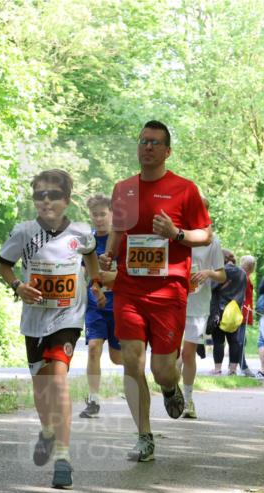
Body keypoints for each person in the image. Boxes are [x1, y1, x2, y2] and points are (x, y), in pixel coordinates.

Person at [98, 120, 213, 462]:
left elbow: (204, 235)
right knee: (132, 362)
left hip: (168, 292)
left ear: (167, 151)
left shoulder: (185, 189)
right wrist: (109, 255)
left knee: (162, 368)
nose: (147, 147)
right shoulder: (123, 189)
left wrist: (176, 234)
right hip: (129, 288)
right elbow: (118, 230)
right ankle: (144, 437)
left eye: (155, 143)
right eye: (143, 141)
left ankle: (169, 385)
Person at [0, 169, 106, 488]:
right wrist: (17, 285)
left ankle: (63, 457)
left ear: (66, 200)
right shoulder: (24, 232)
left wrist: (96, 284)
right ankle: (46, 431)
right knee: (41, 387)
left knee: (58, 380)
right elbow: (4, 264)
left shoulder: (82, 232)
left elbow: (91, 260)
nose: (46, 201)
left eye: (53, 195)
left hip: (68, 318)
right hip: (34, 319)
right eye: (39, 195)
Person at [179, 201, 225, 418]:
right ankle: (172, 388)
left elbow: (222, 275)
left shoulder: (212, 241)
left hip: (197, 304)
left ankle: (188, 401)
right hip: (172, 300)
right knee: (170, 356)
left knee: (188, 353)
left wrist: (207, 273)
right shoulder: (175, 235)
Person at [80, 194, 122, 418]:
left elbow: (128, 274)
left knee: (118, 358)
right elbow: (85, 274)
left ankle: (138, 371)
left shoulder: (122, 240)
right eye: (94, 215)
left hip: (119, 305)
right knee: (94, 346)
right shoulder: (88, 241)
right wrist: (94, 289)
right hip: (96, 305)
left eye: (102, 214)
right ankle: (93, 401)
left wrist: (111, 280)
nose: (98, 219)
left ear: (112, 214)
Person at [206, 249, 249, 381]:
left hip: (219, 311)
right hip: (235, 311)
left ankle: (218, 369)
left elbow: (211, 288)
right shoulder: (242, 273)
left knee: (219, 341)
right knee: (234, 341)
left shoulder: (221, 272)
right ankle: (232, 370)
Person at [238, 255, 257, 377]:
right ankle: (242, 366)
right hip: (241, 313)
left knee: (241, 340)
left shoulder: (245, 276)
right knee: (240, 340)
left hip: (244, 312)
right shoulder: (242, 276)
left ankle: (239, 365)